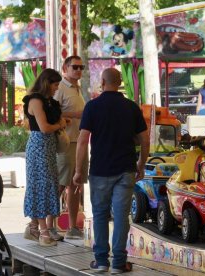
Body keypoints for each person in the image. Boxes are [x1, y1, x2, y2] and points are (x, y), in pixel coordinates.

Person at [73, 68, 149, 274]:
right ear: (120, 82)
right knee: (122, 216)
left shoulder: (92, 107)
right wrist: (141, 164)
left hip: (100, 170)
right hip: (126, 169)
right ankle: (118, 263)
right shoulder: (132, 108)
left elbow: (82, 141)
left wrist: (78, 170)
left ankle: (101, 262)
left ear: (102, 82)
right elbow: (144, 138)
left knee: (99, 216)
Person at [22, 68, 67, 247]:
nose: (57, 88)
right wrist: (61, 124)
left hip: (48, 147)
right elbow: (44, 128)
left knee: (47, 184)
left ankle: (34, 226)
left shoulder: (48, 101)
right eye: (55, 84)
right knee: (41, 185)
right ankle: (43, 231)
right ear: (47, 83)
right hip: (39, 146)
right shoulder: (35, 100)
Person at [50, 55, 88, 240]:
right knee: (60, 184)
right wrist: (76, 114)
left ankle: (73, 227)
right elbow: (52, 113)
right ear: (65, 68)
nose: (79, 70)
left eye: (81, 67)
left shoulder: (77, 88)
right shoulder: (61, 88)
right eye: (75, 67)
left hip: (79, 141)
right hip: (65, 143)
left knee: (75, 185)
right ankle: (48, 226)